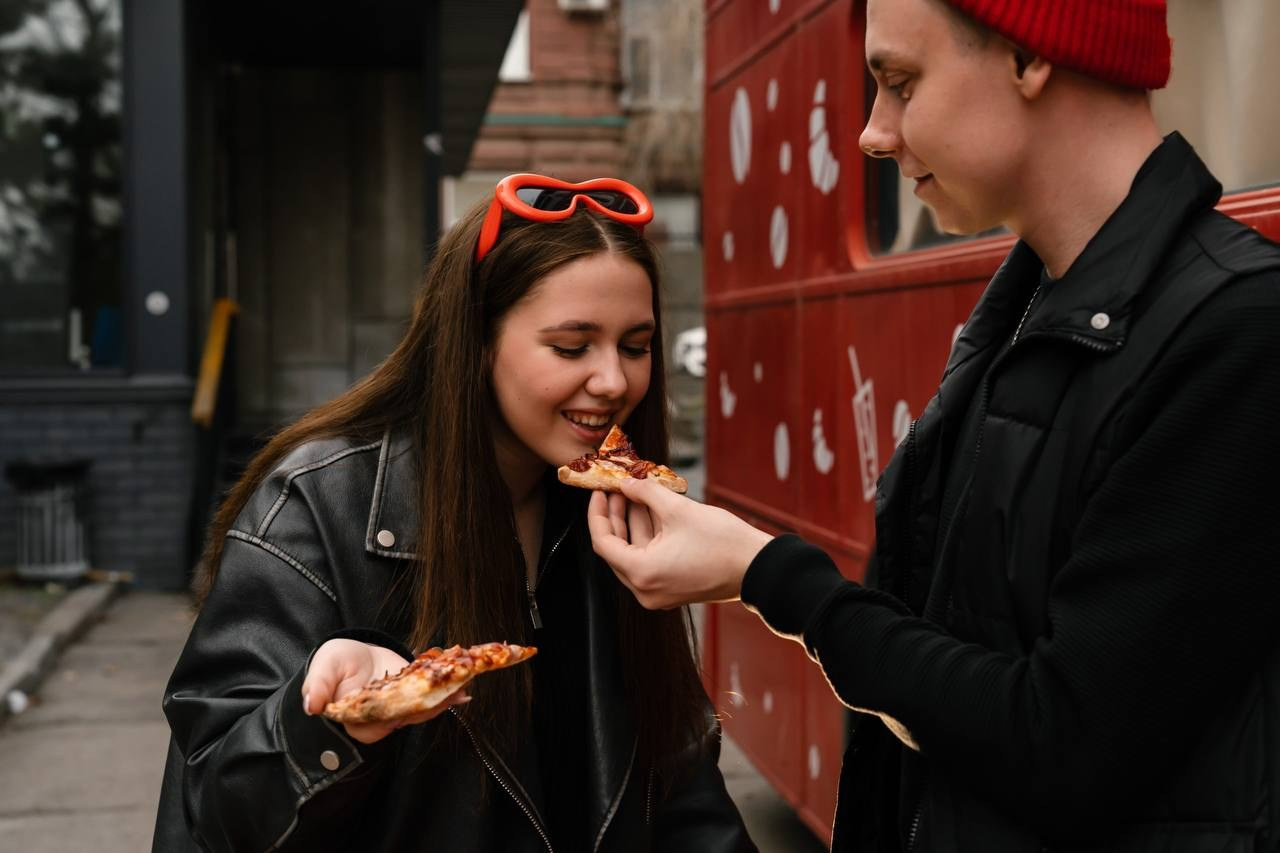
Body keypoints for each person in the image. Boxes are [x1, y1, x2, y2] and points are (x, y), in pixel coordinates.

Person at [589, 0, 1280, 849]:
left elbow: (1063, 744)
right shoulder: (1026, 312)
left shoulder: (1238, 330)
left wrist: (766, 572)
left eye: (901, 83)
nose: (872, 134)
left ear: (1029, 56)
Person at [153, 174, 756, 852]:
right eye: (571, 346)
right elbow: (217, 812)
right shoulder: (316, 502)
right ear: (476, 340)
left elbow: (679, 784)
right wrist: (327, 723)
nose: (614, 381)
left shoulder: (622, 514)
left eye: (636, 345)